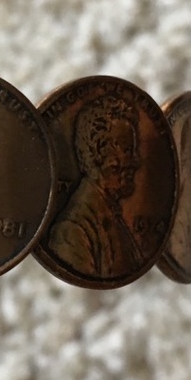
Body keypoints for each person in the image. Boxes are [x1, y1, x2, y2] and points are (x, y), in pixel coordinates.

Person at [48, 94, 144, 278]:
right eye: (127, 150)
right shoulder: (72, 231)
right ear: (100, 151)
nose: (136, 161)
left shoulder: (111, 216)